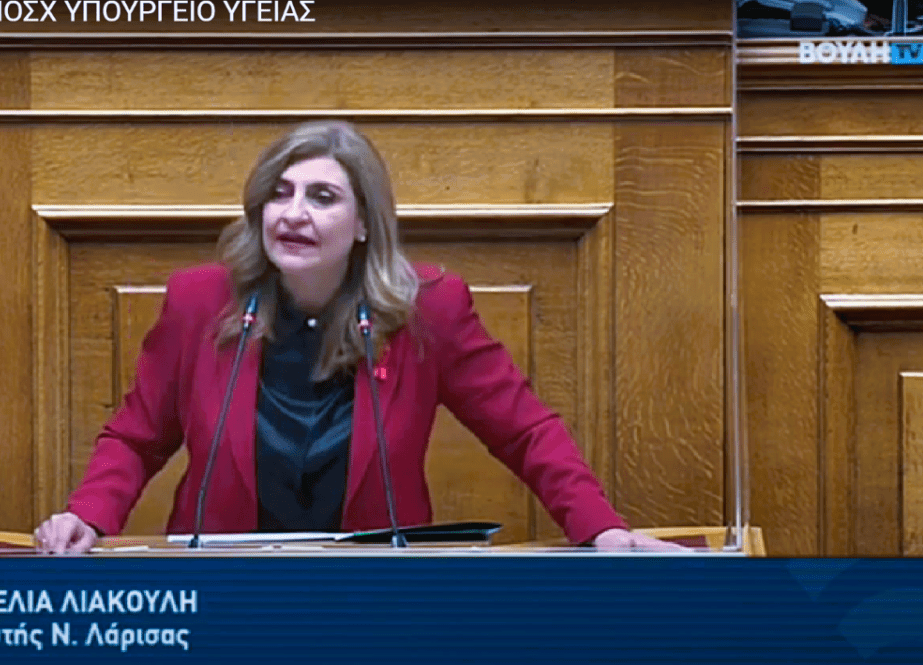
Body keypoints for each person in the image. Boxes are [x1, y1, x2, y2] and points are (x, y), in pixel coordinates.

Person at [35, 121, 679, 554]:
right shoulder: (200, 301)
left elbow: (525, 431)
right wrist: (87, 516)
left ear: (365, 223)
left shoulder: (427, 309)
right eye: (280, 194)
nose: (293, 214)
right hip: (226, 587)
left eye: (321, 197)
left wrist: (599, 529)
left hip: (375, 595)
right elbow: (137, 436)